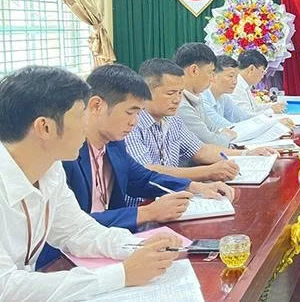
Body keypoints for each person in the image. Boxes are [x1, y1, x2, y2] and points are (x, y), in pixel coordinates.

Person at [0, 66, 182, 300]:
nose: (86, 125)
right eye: (80, 116)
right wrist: (122, 275)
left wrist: (137, 246)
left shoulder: (51, 170)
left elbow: (76, 230)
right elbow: (5, 286)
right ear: (45, 127)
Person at [37, 64, 236, 269]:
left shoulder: (114, 144)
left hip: (109, 245)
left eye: (139, 114)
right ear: (96, 106)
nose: (134, 122)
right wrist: (148, 213)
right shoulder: (65, 154)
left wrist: (194, 187)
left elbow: (141, 177)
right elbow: (74, 226)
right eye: (129, 113)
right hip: (64, 260)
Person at [125, 59, 273, 194]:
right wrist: (208, 172)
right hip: (143, 202)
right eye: (170, 93)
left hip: (172, 195)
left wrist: (247, 154)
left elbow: (200, 150)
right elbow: (147, 171)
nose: (177, 99)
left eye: (180, 93)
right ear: (146, 92)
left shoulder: (173, 120)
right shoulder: (131, 124)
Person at [201, 55, 293, 133]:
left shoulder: (224, 98)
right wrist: (272, 124)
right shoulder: (203, 101)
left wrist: (274, 122)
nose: (235, 82)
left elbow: (244, 117)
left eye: (236, 77)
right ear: (213, 76)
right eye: (230, 76)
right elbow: (230, 129)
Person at [231, 49, 286, 115]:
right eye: (262, 71)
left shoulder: (244, 84)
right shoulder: (235, 86)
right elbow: (245, 116)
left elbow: (255, 108)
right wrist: (271, 111)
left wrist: (273, 106)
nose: (262, 76)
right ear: (251, 69)